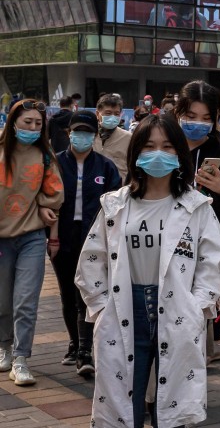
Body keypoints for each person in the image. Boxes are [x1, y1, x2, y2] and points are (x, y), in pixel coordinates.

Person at [75, 114, 220, 428]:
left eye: (168, 146)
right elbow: (92, 260)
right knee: (122, 403)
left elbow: (212, 263)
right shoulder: (115, 206)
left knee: (171, 405)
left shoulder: (196, 207)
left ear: (180, 154)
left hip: (177, 310)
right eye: (149, 146)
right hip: (124, 308)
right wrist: (102, 307)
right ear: (135, 155)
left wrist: (197, 307)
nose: (158, 153)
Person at [173, 81, 220, 362]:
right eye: (191, 117)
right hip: (167, 244)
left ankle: (197, 366)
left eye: (206, 118)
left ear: (216, 119)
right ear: (179, 113)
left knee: (198, 311)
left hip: (206, 248)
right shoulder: (165, 151)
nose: (198, 124)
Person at [52, 112, 121, 377]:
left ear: (94, 136)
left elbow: (115, 204)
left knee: (88, 293)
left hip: (94, 240)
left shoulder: (105, 166)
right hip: (64, 237)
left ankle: (85, 350)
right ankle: (74, 343)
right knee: (68, 293)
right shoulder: (56, 163)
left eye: (87, 133)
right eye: (77, 132)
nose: (81, 137)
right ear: (69, 133)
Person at [0, 99, 64, 385]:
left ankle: (21, 358)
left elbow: (54, 194)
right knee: (3, 301)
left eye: (38, 123)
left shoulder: (45, 156)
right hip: (1, 239)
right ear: (13, 122)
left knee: (25, 301)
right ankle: (3, 348)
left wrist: (41, 205)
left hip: (32, 237)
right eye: (28, 122)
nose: (33, 128)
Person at [94, 93, 131, 179]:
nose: (112, 117)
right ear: (97, 114)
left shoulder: (128, 138)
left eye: (116, 114)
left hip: (118, 189)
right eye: (108, 113)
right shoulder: (90, 135)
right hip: (93, 188)